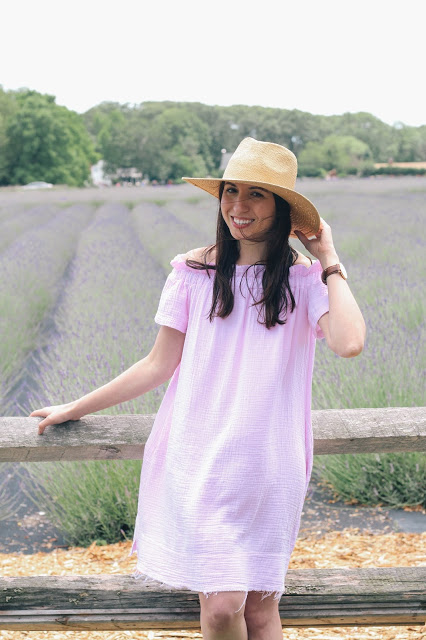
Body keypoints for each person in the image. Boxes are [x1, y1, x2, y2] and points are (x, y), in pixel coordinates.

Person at [31, 138, 366, 640]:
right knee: (223, 605)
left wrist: (329, 258)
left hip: (268, 465)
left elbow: (350, 342)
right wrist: (75, 407)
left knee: (258, 609)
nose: (238, 206)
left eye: (256, 194)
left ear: (283, 208)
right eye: (231, 191)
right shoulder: (192, 273)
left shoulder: (304, 279)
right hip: (201, 458)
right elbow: (156, 364)